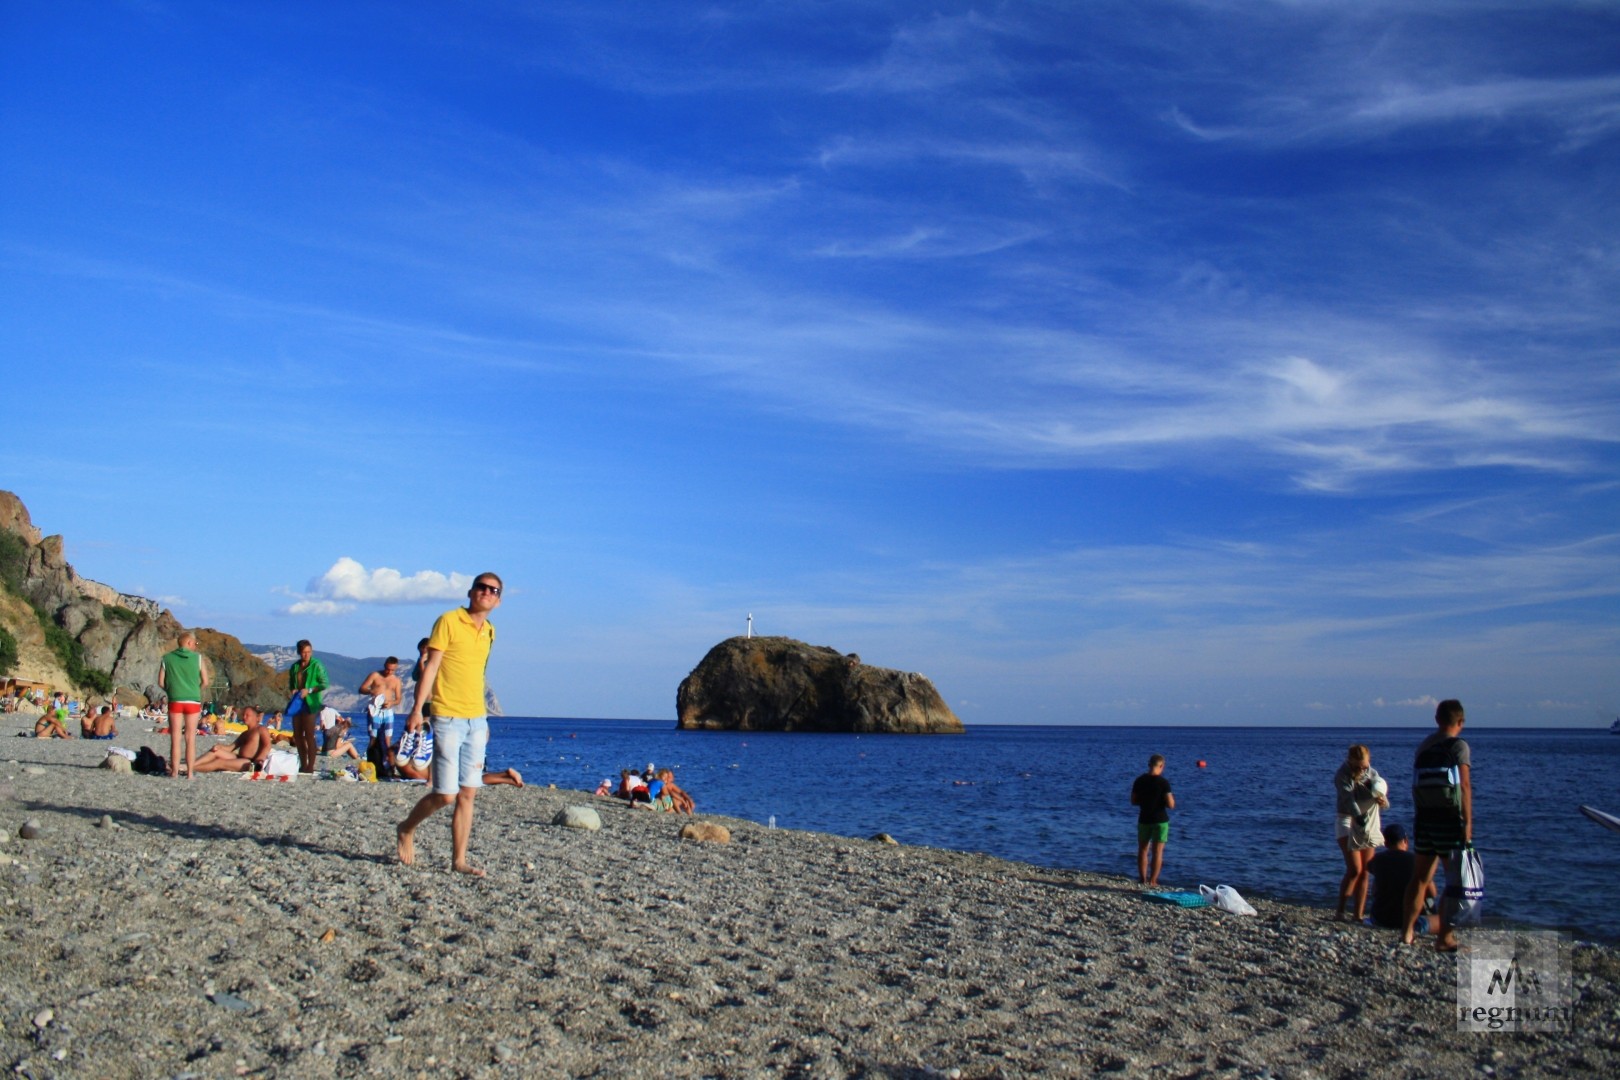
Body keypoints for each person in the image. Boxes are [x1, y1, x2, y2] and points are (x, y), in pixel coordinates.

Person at [395, 572, 502, 876]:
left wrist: (483, 718)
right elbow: (431, 668)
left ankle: (459, 861)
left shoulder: (490, 631)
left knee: (469, 793)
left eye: (493, 591)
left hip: (476, 719)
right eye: (482, 587)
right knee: (445, 794)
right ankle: (406, 827)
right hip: (446, 716)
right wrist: (417, 709)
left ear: (498, 600)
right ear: (471, 592)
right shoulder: (449, 620)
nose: (487, 593)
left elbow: (478, 674)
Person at [1402, 699, 1473, 951]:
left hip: (1424, 818)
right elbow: (1463, 786)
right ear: (1461, 722)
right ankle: (1444, 938)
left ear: (1437, 719)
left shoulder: (1424, 746)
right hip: (1448, 819)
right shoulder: (1458, 746)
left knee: (1420, 877)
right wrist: (1467, 824)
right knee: (1454, 882)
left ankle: (1407, 932)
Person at [1333, 744, 1388, 922]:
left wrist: (1381, 800)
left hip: (1368, 822)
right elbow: (1347, 798)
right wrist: (1357, 815)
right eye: (1359, 766)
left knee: (1365, 870)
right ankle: (1340, 910)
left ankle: (1358, 914)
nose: (1363, 769)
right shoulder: (1342, 775)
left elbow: (1382, 796)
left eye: (1365, 766)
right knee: (1355, 869)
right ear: (1351, 761)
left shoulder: (1372, 774)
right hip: (1347, 820)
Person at [159, 631, 212, 777]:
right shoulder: (198, 658)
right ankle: (189, 773)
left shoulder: (167, 658)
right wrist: (195, 690)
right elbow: (205, 682)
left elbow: (161, 682)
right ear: (188, 642)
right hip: (192, 700)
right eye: (195, 643)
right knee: (190, 738)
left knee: (175, 738)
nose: (196, 646)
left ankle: (174, 772)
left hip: (175, 700)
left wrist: (172, 691)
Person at [1367, 823, 1435, 933]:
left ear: (1385, 843)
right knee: (1443, 918)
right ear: (1405, 841)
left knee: (1380, 880)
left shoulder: (1377, 859)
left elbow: (1373, 884)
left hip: (1379, 918)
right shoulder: (1415, 861)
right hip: (1408, 921)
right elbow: (1432, 893)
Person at [1131, 754, 1175, 887]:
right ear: (1161, 766)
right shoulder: (1163, 783)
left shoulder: (1139, 781)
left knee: (1143, 849)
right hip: (1160, 820)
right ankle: (1153, 880)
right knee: (1157, 852)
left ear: (1149, 764)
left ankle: (1142, 878)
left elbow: (1133, 801)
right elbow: (1171, 804)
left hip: (1144, 818)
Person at [358, 656, 404, 779]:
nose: (389, 672)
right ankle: (371, 766)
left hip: (388, 712)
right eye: (387, 669)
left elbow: (399, 699)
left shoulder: (396, 681)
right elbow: (361, 688)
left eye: (392, 670)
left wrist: (392, 703)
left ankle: (389, 768)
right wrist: (370, 691)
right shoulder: (375, 675)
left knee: (387, 740)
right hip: (375, 710)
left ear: (396, 669)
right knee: (373, 738)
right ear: (384, 666)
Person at [287, 640, 328, 775]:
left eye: (309, 652)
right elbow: (292, 684)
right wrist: (293, 690)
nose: (306, 655)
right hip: (298, 702)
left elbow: (324, 683)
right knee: (298, 735)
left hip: (311, 702)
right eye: (304, 652)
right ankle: (303, 764)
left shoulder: (316, 665)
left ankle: (310, 765)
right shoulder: (294, 667)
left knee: (309, 734)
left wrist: (309, 690)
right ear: (299, 652)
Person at [191, 706, 274, 773]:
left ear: (256, 718)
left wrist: (259, 760)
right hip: (239, 758)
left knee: (219, 762)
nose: (244, 717)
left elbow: (267, 745)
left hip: (250, 762)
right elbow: (231, 748)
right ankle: (191, 765)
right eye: (243, 715)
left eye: (247, 715)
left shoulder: (261, 729)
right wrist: (220, 747)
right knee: (215, 751)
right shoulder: (245, 733)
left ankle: (190, 769)